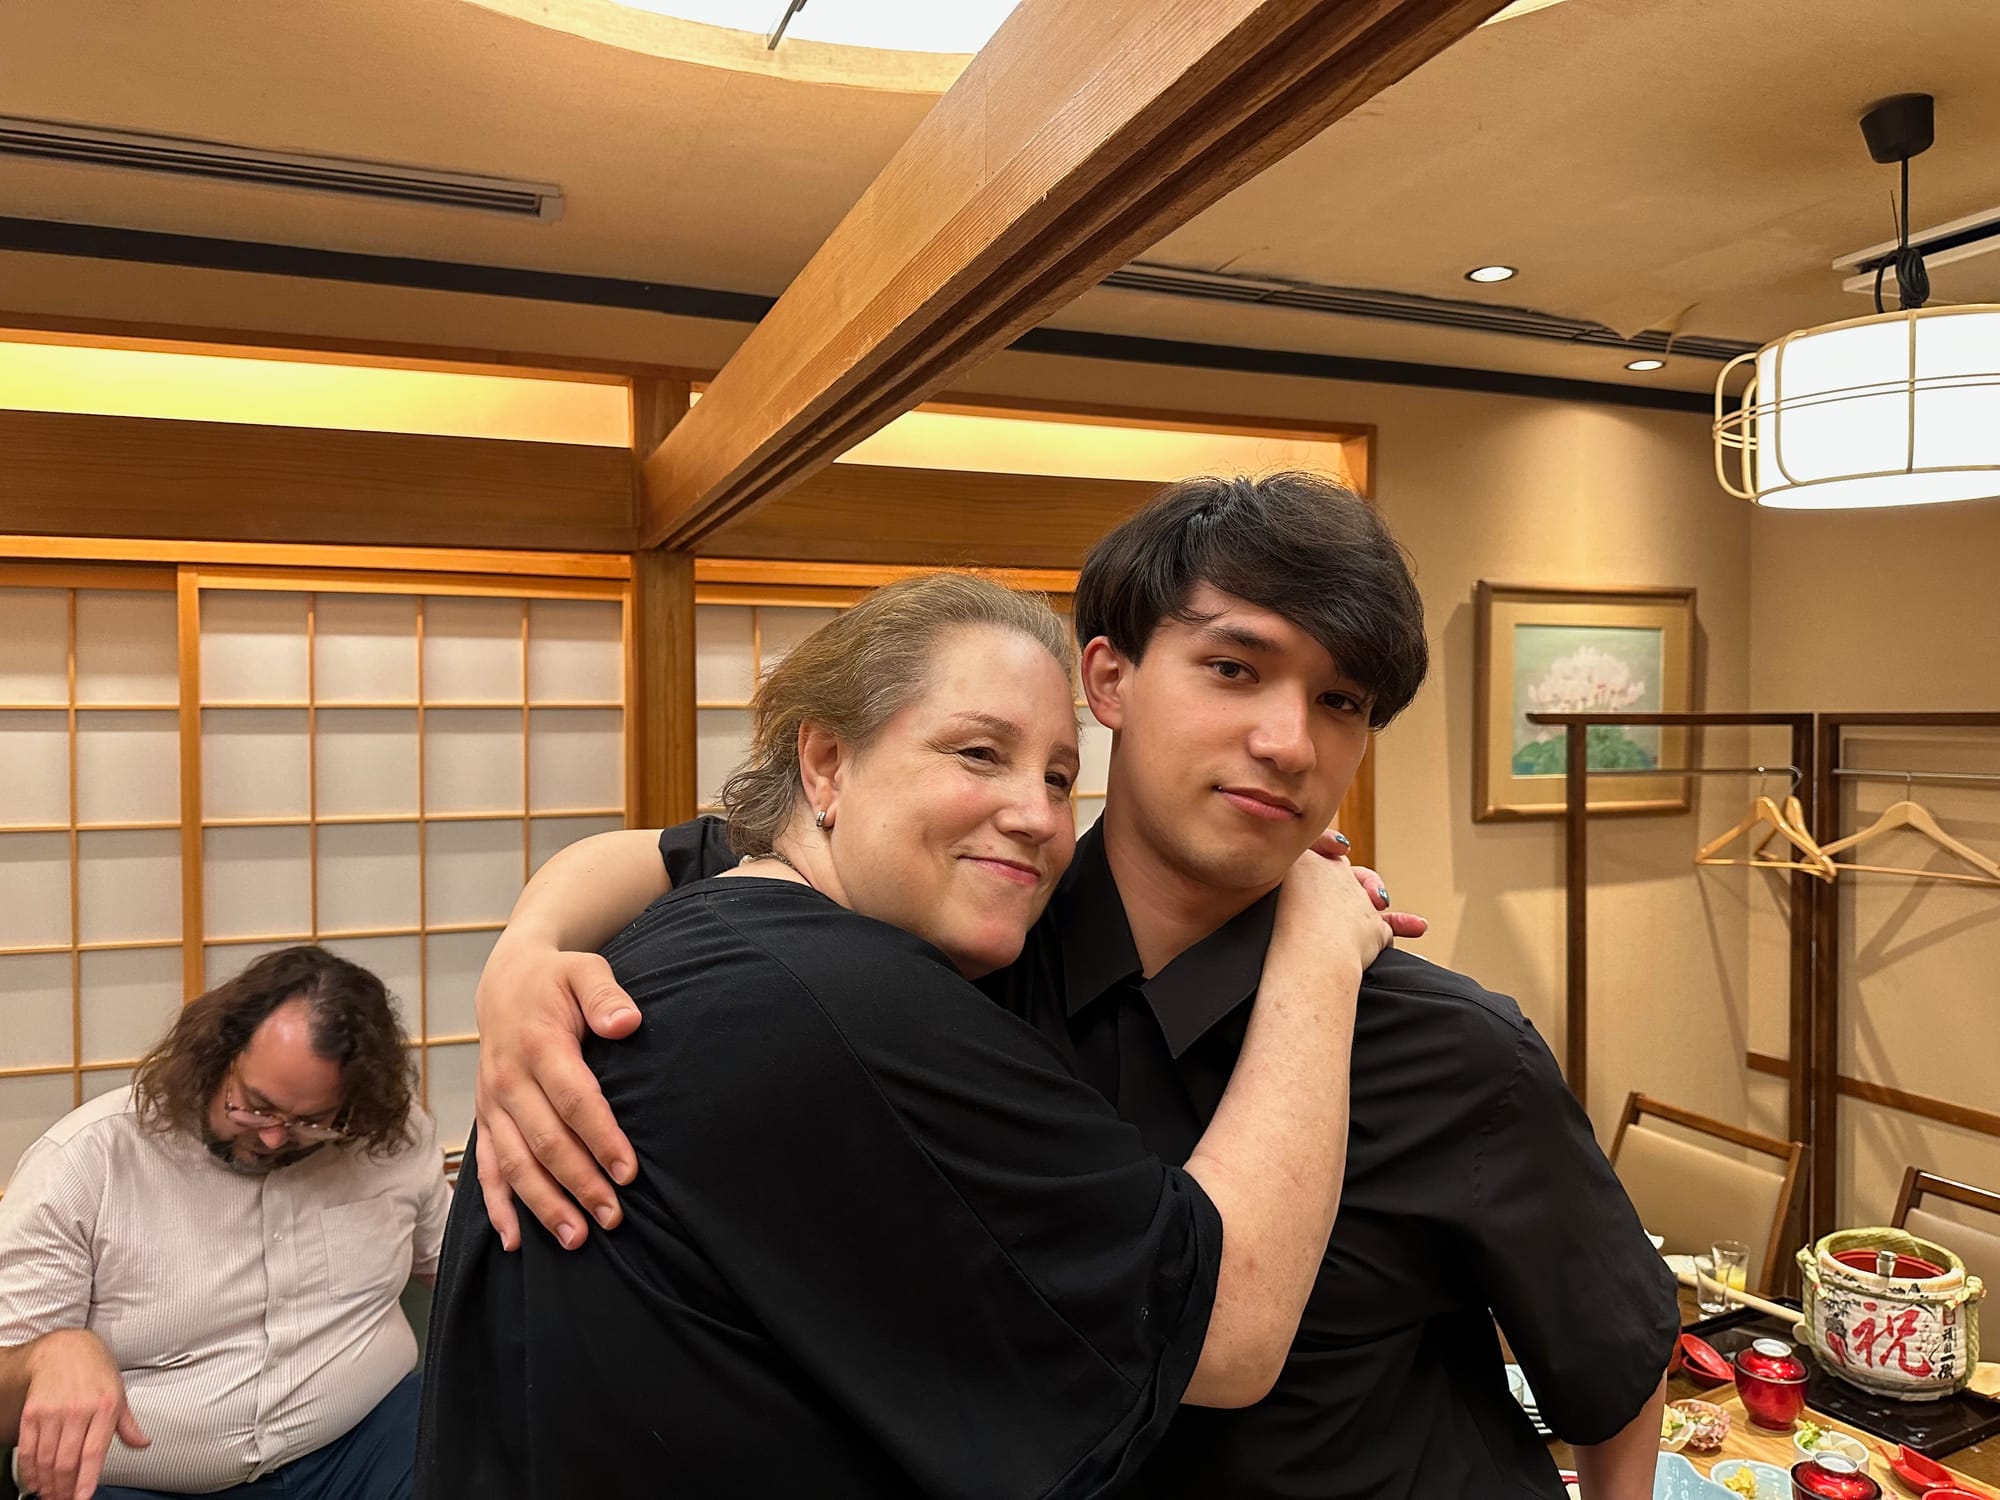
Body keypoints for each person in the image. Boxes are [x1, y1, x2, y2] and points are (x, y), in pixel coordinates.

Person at [474, 473, 1680, 1499]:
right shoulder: (954, 936)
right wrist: (524, 954)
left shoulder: (1454, 1052)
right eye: (1232, 668)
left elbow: (1613, 1376)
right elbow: (698, 857)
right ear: (1109, 679)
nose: (1288, 743)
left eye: (1340, 703)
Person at [416, 572, 1395, 1498]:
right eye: (978, 754)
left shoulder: (702, 934)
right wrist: (1317, 947)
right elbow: (1224, 1331)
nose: (1036, 816)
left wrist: (526, 942)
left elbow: (671, 850)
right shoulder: (852, 1005)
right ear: (827, 763)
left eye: (1060, 778)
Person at [0, 946, 451, 1500]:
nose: (274, 1138)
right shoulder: (88, 1161)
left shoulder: (387, 1138)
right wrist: (46, 1355)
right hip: (138, 1485)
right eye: (255, 1105)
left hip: (363, 1447)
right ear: (217, 1054)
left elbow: (457, 1269)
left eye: (312, 1121)